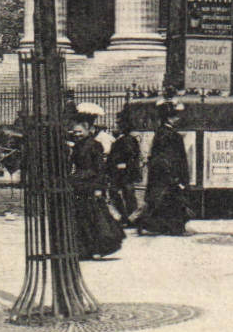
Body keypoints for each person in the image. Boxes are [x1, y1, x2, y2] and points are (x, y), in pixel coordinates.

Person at [67, 117, 122, 259]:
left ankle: (98, 248)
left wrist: (99, 188)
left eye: (79, 131)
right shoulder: (77, 146)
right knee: (82, 218)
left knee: (95, 218)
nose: (76, 134)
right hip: (79, 185)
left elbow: (99, 169)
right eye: (74, 132)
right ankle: (84, 249)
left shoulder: (94, 145)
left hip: (90, 184)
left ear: (88, 130)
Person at [134, 103, 189, 235]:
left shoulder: (163, 132)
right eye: (174, 117)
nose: (177, 119)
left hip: (164, 175)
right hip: (167, 175)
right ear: (168, 119)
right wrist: (174, 176)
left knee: (164, 202)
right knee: (167, 201)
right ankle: (169, 227)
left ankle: (166, 226)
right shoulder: (167, 134)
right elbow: (169, 157)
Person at [106, 119, 141, 225]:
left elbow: (129, 155)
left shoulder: (126, 140)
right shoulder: (125, 139)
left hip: (122, 173)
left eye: (117, 126)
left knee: (123, 193)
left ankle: (128, 218)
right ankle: (128, 217)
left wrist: (122, 165)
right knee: (124, 194)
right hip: (122, 172)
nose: (114, 128)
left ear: (122, 128)